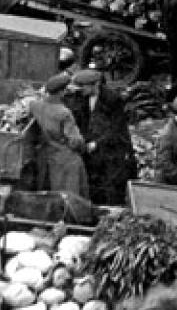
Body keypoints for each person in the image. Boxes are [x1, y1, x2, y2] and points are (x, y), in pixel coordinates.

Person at [68, 69, 137, 207]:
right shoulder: (79, 97)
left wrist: (97, 143)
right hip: (89, 149)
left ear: (95, 85)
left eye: (84, 86)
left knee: (110, 184)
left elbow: (117, 128)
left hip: (110, 149)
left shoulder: (112, 99)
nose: (80, 90)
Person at [30, 73, 89, 202]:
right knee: (72, 195)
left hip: (48, 153)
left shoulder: (35, 106)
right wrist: (84, 147)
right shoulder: (64, 113)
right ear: (61, 92)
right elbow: (75, 141)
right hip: (65, 157)